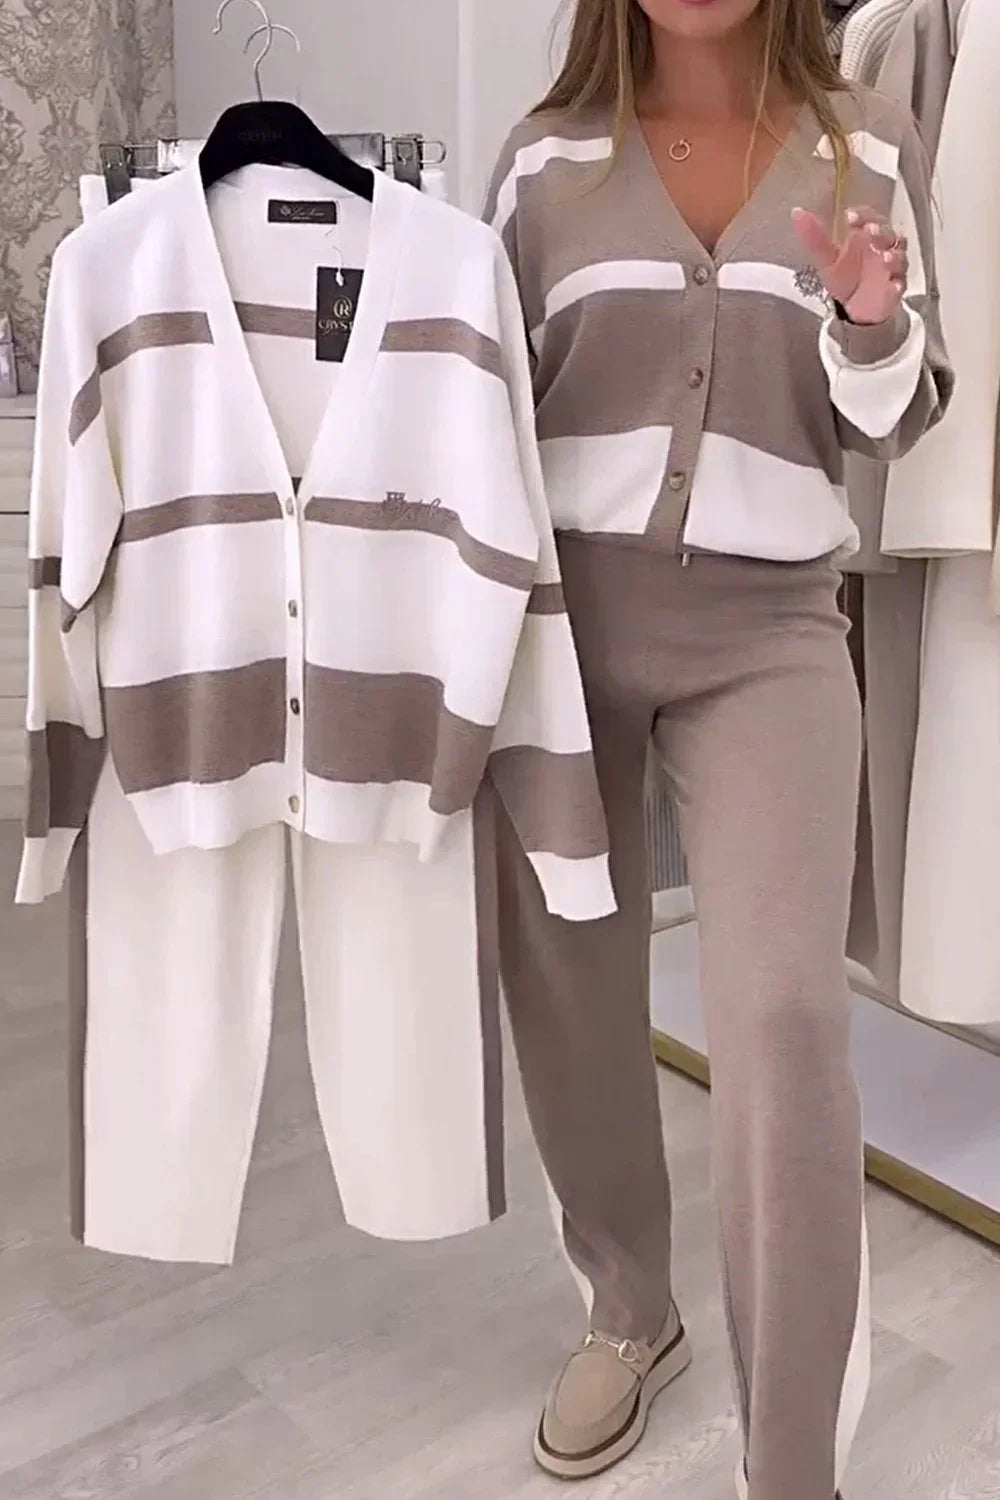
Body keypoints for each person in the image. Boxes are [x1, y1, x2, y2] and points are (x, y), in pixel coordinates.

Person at [483, 2, 953, 1497]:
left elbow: (898, 415)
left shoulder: (867, 146)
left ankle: (792, 1459)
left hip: (772, 635)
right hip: (561, 628)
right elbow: (475, 407)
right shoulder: (541, 164)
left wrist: (869, 325)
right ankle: (630, 1309)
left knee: (786, 1023)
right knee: (573, 988)